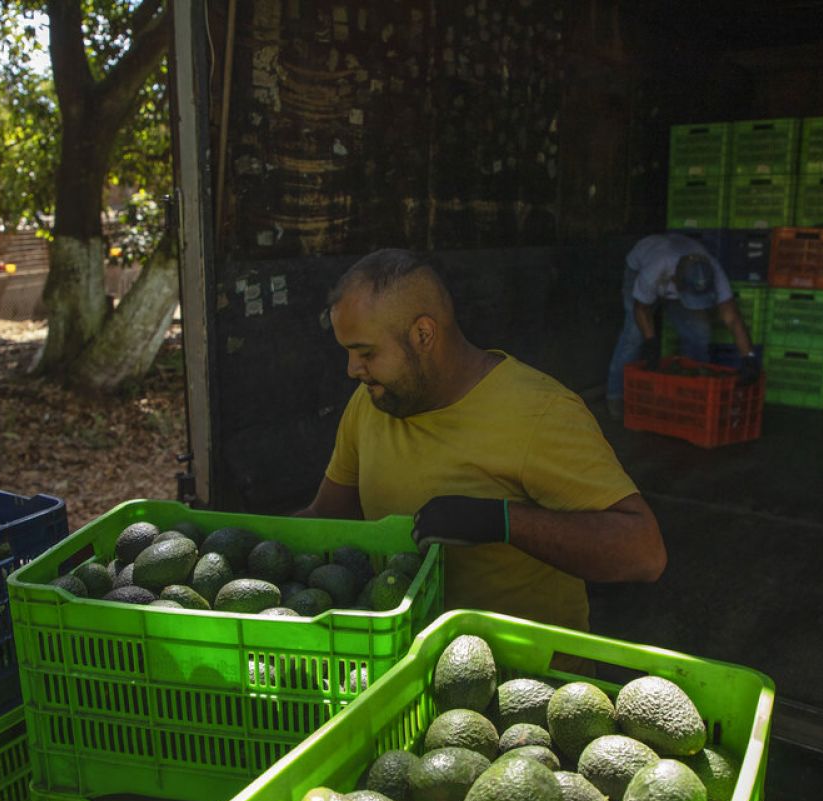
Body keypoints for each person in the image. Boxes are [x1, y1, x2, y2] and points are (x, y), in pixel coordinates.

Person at [298, 248, 666, 636]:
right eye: (348, 352)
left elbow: (644, 553)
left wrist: (503, 521)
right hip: (404, 662)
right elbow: (326, 516)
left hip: (522, 683)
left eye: (365, 352)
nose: (352, 369)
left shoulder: (539, 412)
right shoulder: (371, 403)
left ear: (423, 334)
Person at [605, 233, 760, 421]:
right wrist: (651, 342)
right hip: (639, 268)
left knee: (699, 333)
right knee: (634, 335)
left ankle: (693, 394)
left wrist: (749, 357)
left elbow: (732, 318)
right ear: (676, 282)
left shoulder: (713, 271)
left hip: (676, 274)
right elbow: (641, 309)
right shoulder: (655, 269)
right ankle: (615, 395)